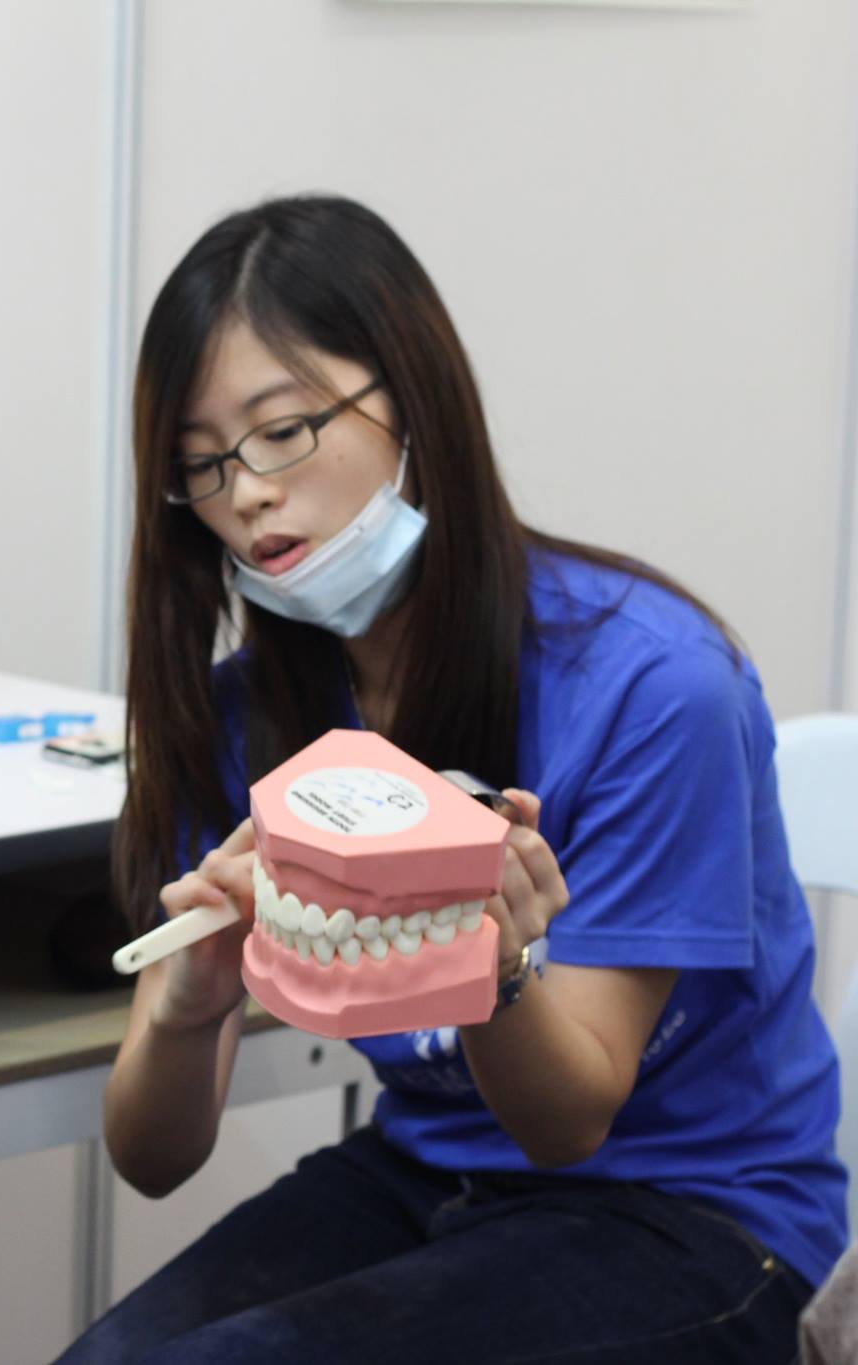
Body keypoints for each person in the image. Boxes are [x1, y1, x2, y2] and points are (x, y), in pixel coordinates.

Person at [63, 195, 845, 1365]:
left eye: (281, 431)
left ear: (412, 400)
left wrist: (494, 972)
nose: (245, 494)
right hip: (429, 1171)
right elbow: (150, 1158)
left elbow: (567, 1125)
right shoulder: (249, 716)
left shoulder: (652, 686)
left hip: (695, 1221)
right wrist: (188, 1009)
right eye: (201, 465)